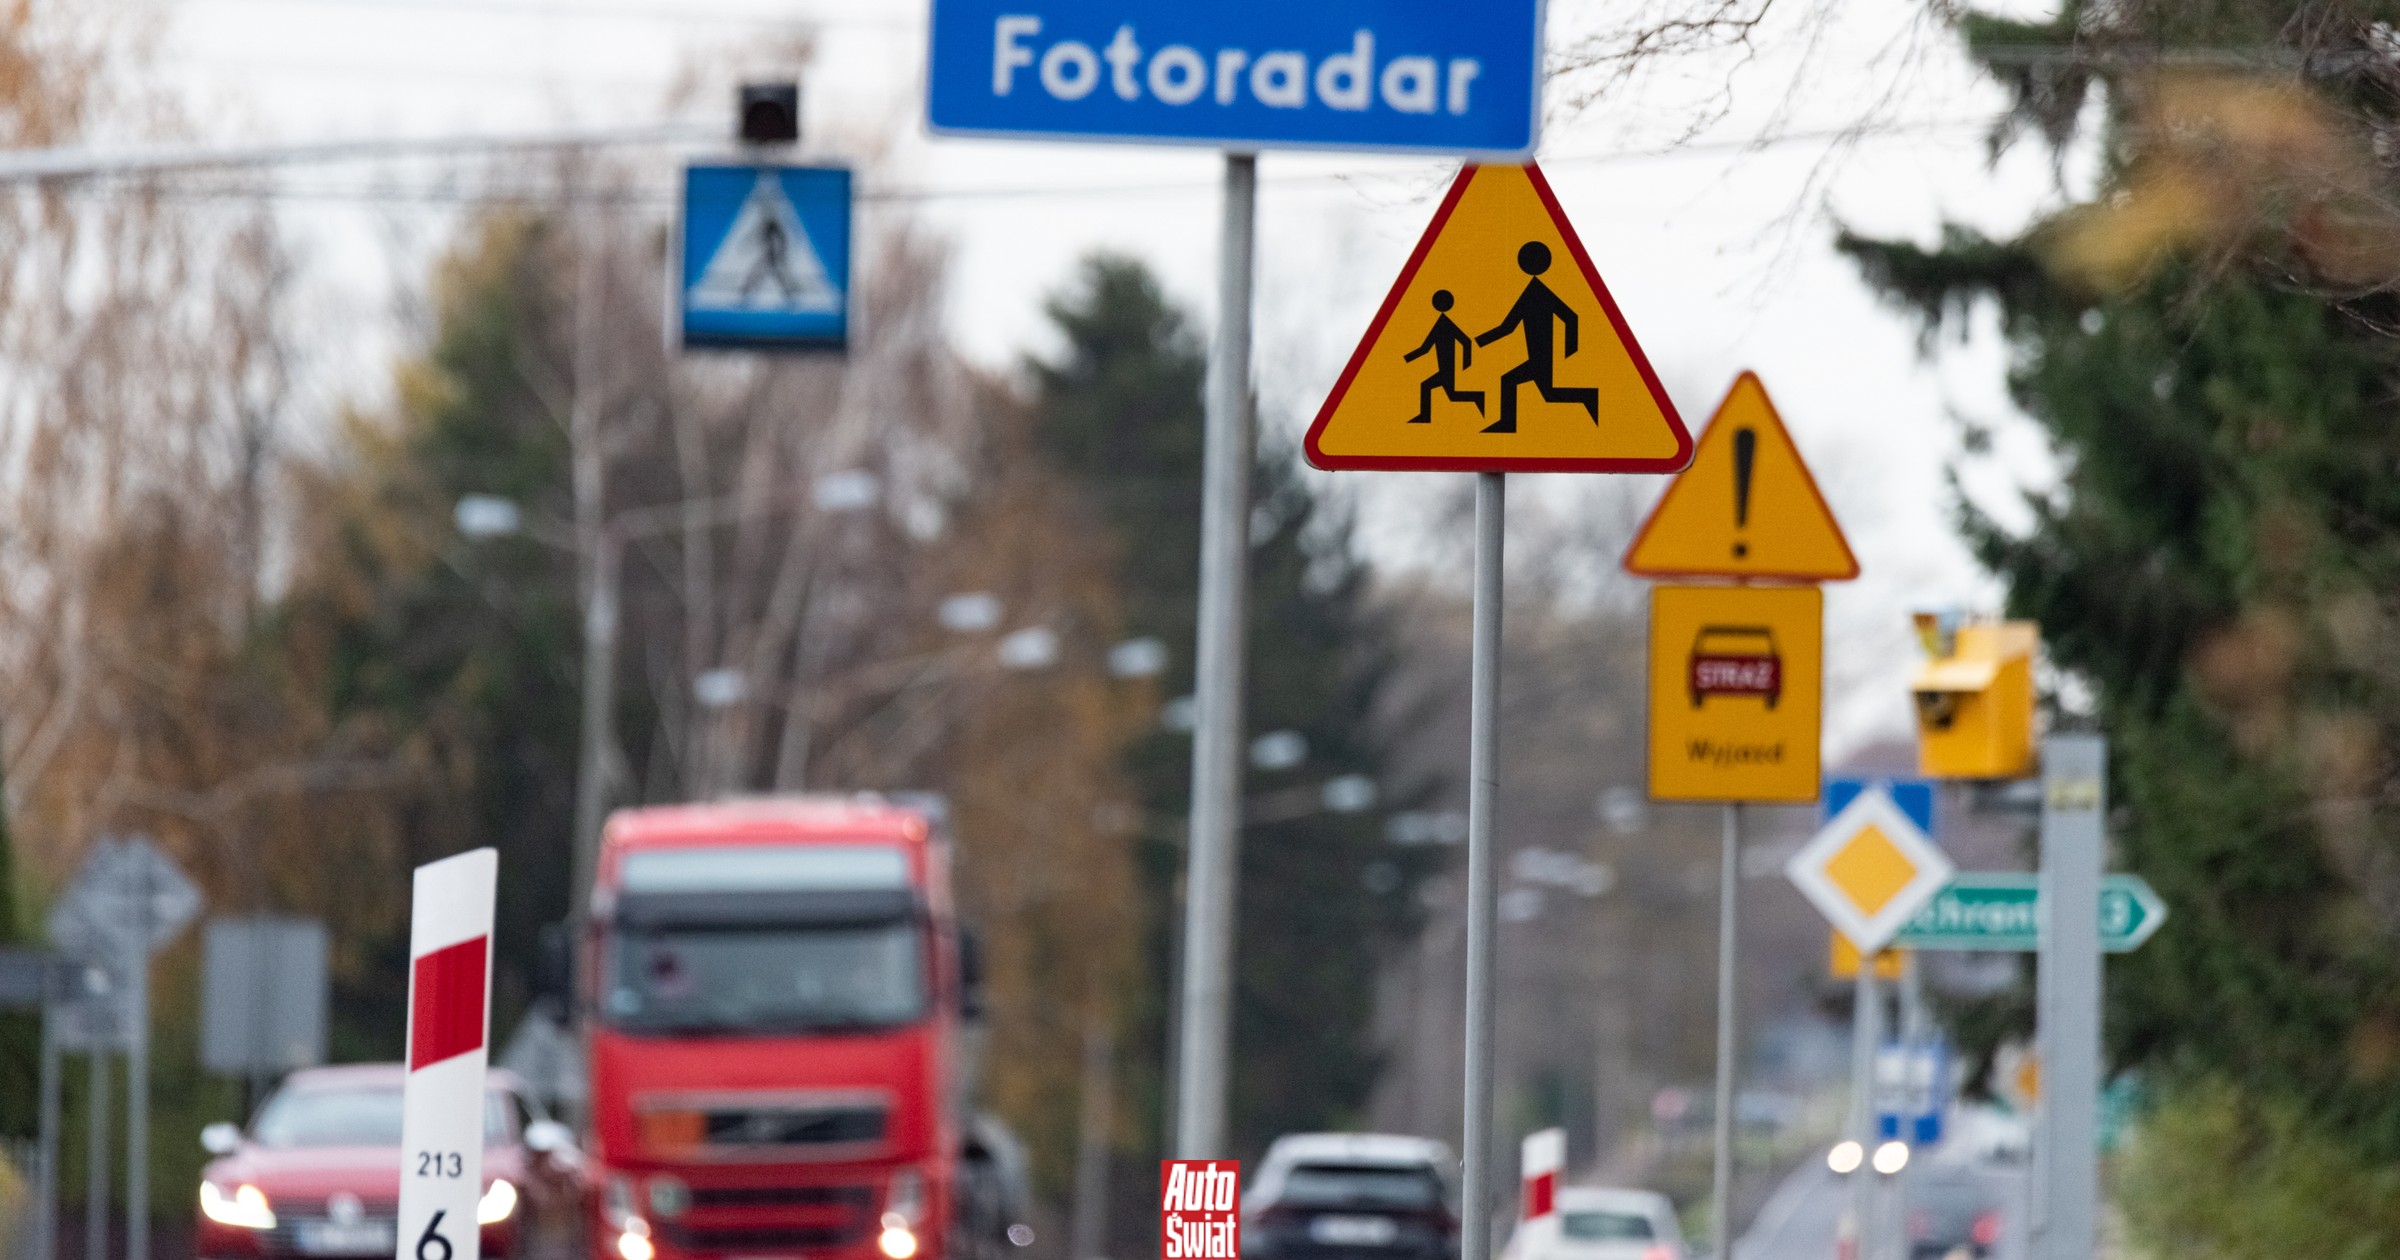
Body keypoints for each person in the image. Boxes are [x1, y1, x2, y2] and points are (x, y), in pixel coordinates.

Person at [1474, 241, 1599, 434]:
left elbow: (1570, 318)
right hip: (1538, 356)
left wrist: (1570, 349)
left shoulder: (1538, 293)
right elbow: (1508, 327)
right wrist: (1483, 341)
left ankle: (1508, 423)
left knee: (1509, 381)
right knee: (1549, 394)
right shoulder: (1532, 293)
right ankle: (1589, 396)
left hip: (1540, 357)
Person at [1401, 289, 1485, 424]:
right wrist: (1408, 357)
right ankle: (1478, 397)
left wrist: (1467, 361)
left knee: (1429, 387)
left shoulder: (1446, 325)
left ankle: (1478, 397)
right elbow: (1426, 348)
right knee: (1450, 394)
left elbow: (1466, 341)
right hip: (1444, 368)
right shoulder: (1439, 325)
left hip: (1447, 368)